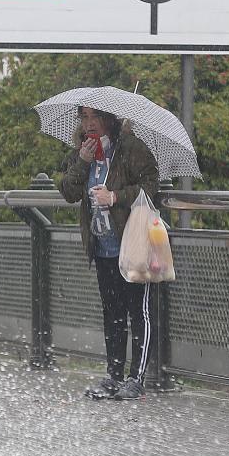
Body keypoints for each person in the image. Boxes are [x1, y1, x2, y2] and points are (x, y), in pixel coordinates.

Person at [59, 106, 159, 400]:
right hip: (102, 246)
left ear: (109, 119)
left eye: (95, 117)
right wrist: (82, 161)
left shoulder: (130, 147)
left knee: (138, 311)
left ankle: (136, 378)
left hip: (132, 242)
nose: (89, 124)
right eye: (84, 118)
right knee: (112, 313)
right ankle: (113, 376)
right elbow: (68, 191)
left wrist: (115, 196)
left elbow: (151, 184)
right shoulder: (85, 150)